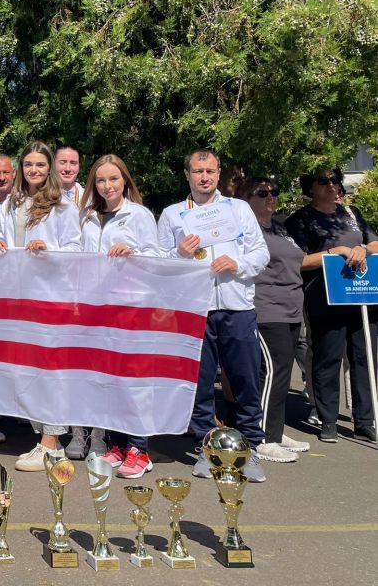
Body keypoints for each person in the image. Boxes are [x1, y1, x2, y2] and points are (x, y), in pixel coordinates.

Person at [157, 149, 269, 484]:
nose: (204, 177)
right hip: (195, 309)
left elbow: (261, 252)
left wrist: (238, 264)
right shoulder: (172, 214)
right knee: (199, 383)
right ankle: (207, 449)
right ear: (187, 174)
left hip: (237, 306)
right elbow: (158, 262)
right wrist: (179, 253)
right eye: (197, 171)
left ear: (219, 174)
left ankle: (250, 449)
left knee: (246, 379)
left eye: (210, 171)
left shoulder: (238, 209)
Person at [76, 155, 160, 477]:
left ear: (125, 180)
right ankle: (118, 445)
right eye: (101, 180)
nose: (107, 186)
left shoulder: (139, 215)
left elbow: (156, 257)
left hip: (130, 307)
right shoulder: (87, 216)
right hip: (97, 308)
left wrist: (132, 253)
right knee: (108, 379)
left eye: (113, 179)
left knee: (132, 378)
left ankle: (140, 448)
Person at [1, 141, 83, 471]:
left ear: (49, 169)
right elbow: (8, 240)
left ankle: (50, 443)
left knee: (51, 369)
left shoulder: (62, 206)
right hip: (21, 296)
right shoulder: (13, 202)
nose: (33, 170)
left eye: (40, 165)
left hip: (51, 296)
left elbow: (76, 249)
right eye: (28, 165)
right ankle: (50, 442)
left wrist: (48, 249)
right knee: (28, 370)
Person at [287, 169, 378, 443]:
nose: (331, 185)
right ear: (310, 187)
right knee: (328, 358)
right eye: (323, 181)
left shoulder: (351, 213)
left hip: (362, 296)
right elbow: (299, 261)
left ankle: (365, 420)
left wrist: (364, 249)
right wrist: (335, 252)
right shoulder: (300, 220)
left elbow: (374, 242)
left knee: (365, 358)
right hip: (325, 299)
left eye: (335, 180)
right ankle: (327, 419)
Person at [242, 177, 311, 462]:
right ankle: (261, 438)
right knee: (272, 371)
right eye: (262, 193)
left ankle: (276, 430)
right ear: (247, 199)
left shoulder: (280, 228)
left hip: (292, 308)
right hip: (266, 309)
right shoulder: (248, 229)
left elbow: (301, 260)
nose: (270, 196)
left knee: (282, 374)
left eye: (274, 191)